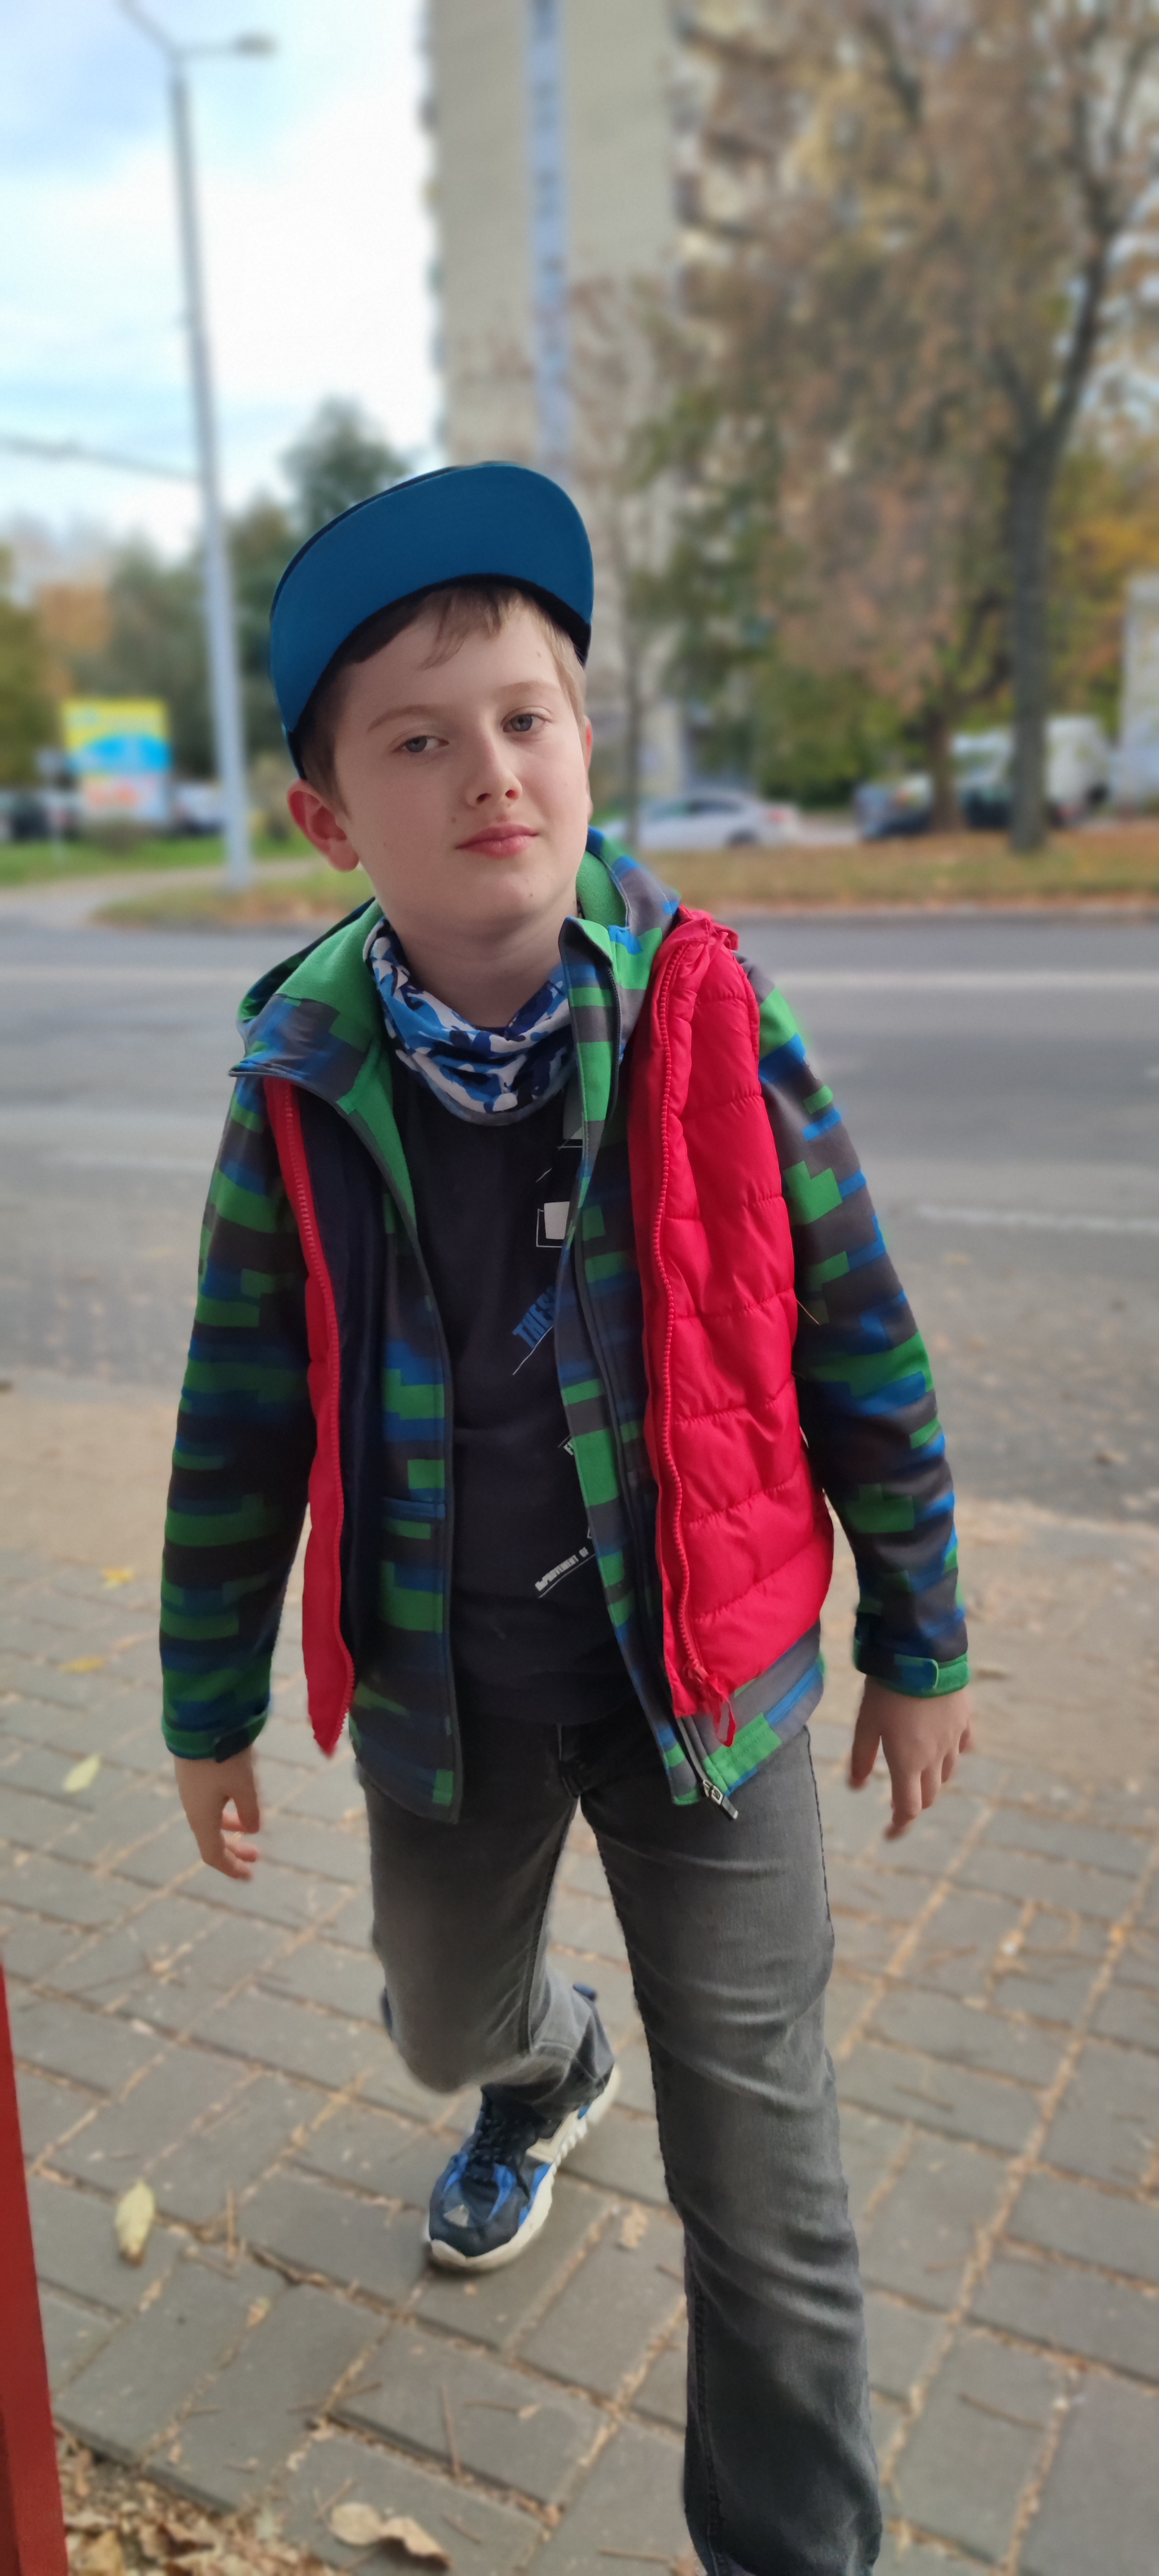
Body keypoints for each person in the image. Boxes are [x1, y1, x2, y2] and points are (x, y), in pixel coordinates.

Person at [162, 462, 972, 2576]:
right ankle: (543, 2069)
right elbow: (238, 1418)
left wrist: (921, 1637)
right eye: (419, 742)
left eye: (525, 718)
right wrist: (203, 1702)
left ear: (588, 741)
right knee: (439, 2018)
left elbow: (855, 1330)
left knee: (766, 2173)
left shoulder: (714, 1015)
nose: (489, 772)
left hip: (709, 1687)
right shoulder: (299, 1083)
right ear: (332, 816)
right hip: (452, 1695)